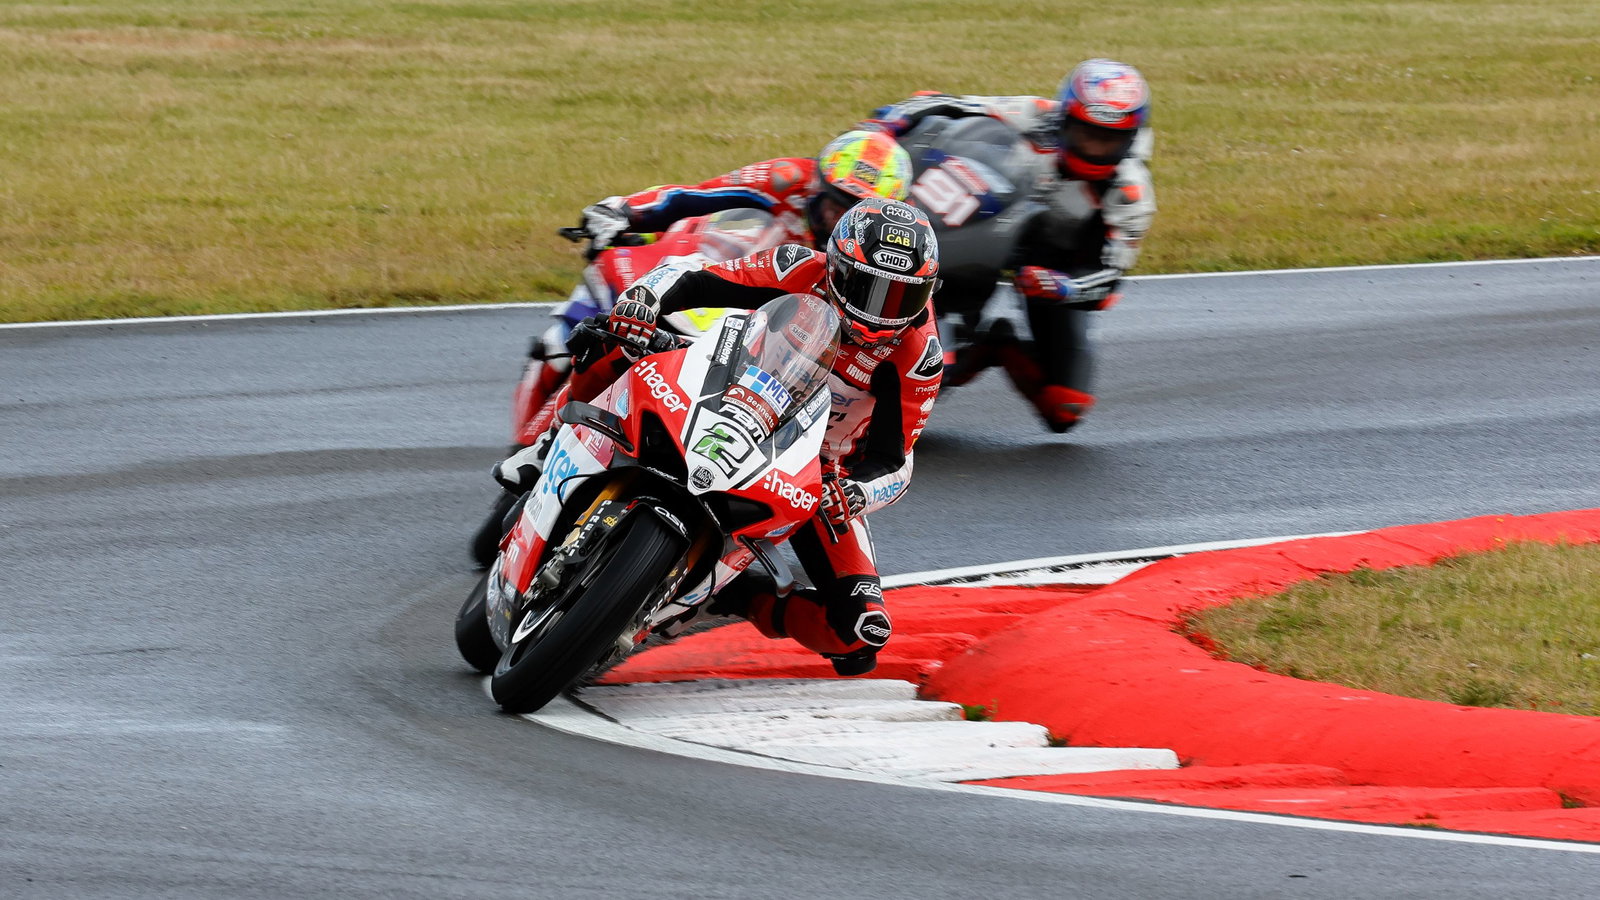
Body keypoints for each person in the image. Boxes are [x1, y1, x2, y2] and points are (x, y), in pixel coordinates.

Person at [499, 198, 943, 676]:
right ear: (836, 267)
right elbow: (694, 277)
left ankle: (729, 595)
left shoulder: (919, 356)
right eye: (869, 289)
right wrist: (644, 300)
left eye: (902, 297)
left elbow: (895, 459)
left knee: (858, 633)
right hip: (731, 389)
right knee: (616, 335)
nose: (880, 314)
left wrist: (856, 493)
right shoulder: (796, 265)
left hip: (816, 470)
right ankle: (551, 440)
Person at [864, 59, 1155, 432]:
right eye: (1086, 133)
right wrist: (889, 123)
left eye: (1109, 140)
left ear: (1130, 138)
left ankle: (990, 347)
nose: (1094, 148)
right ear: (1066, 118)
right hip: (987, 228)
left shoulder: (1131, 194)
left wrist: (1064, 287)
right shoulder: (1038, 115)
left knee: (1065, 406)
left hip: (1052, 272)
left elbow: (1110, 279)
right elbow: (946, 103)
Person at [576, 129, 915, 256]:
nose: (839, 216)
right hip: (742, 283)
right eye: (836, 202)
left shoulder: (897, 241)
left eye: (855, 210)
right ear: (820, 184)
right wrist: (623, 211)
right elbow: (697, 196)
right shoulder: (787, 177)